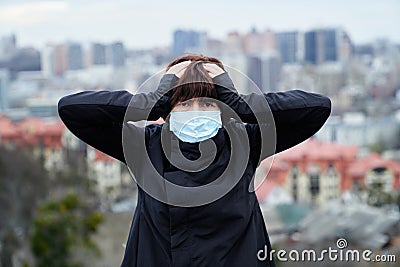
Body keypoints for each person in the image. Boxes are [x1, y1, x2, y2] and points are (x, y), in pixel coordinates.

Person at [58, 54, 331, 267]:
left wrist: (242, 104)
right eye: (184, 103)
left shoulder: (245, 143)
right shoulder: (144, 146)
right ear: (168, 108)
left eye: (208, 103)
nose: (196, 112)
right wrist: (149, 102)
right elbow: (72, 109)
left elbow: (317, 107)